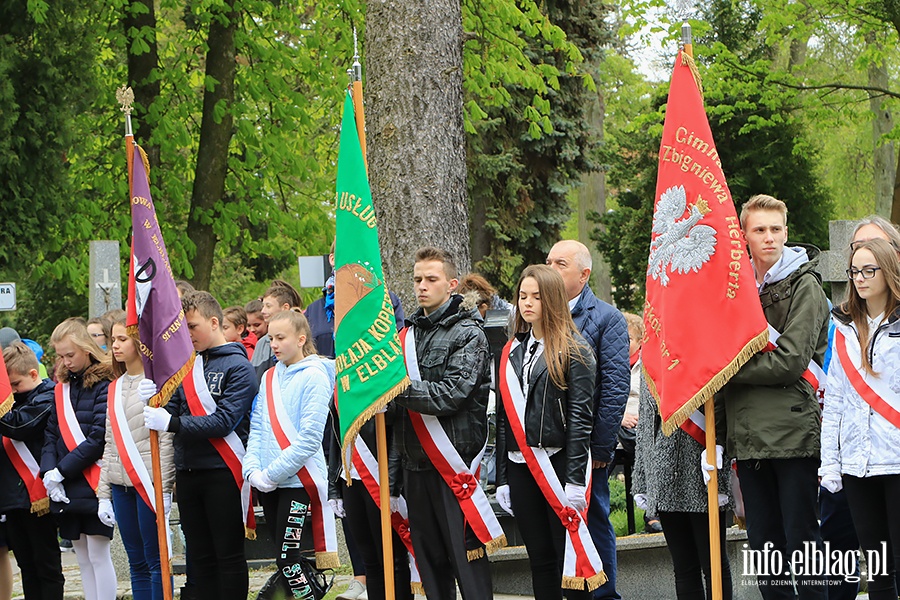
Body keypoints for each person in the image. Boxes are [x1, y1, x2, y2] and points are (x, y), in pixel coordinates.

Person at [721, 194, 829, 599]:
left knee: (803, 544)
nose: (770, 238)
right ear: (744, 236)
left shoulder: (805, 285)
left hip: (794, 434)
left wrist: (729, 373)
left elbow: (789, 361)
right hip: (747, 438)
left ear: (787, 231)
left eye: (776, 229)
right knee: (764, 548)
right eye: (760, 230)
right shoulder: (735, 290)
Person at [392, 246, 496, 600]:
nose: (422, 286)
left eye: (431, 279)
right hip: (414, 465)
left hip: (453, 466)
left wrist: (394, 390)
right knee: (430, 565)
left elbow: (452, 393)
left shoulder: (469, 333)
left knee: (466, 559)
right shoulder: (406, 337)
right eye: (418, 279)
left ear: (451, 284)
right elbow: (398, 414)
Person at [143, 291, 258, 600]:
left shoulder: (240, 367)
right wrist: (155, 402)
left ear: (214, 322)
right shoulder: (188, 366)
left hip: (223, 471)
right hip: (189, 471)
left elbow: (224, 422)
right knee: (199, 557)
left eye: (192, 327)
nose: (187, 335)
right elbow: (175, 410)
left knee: (228, 556)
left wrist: (173, 423)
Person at [495, 264, 600, 599]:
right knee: (539, 559)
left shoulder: (576, 349)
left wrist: (574, 480)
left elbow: (581, 419)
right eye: (523, 296)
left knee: (568, 556)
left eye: (536, 297)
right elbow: (502, 418)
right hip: (519, 466)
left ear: (552, 299)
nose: (527, 304)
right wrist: (501, 477)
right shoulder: (512, 349)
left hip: (556, 464)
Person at [546, 239, 629, 600]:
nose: (550, 268)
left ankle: (604, 594)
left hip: (586, 448)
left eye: (560, 264)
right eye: (548, 261)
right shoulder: (537, 314)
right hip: (545, 446)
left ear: (584, 274)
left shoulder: (606, 319)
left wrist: (600, 446)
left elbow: (614, 388)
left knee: (593, 521)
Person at [820, 237, 900, 600]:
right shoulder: (845, 328)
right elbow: (834, 400)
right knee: (879, 568)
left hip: (896, 461)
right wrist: (830, 465)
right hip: (858, 465)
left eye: (870, 270)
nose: (860, 278)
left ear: (889, 271)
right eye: (855, 271)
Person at [244, 310, 336, 598]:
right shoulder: (270, 376)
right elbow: (257, 426)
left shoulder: (315, 377)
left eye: (280, 338)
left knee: (288, 558)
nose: (273, 344)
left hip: (298, 482)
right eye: (270, 338)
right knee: (284, 559)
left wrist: (271, 474)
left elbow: (309, 439)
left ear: (300, 339)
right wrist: (253, 471)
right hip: (269, 482)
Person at [633, 375, 733, 600]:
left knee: (713, 564)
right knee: (683, 567)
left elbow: (721, 402)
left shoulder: (700, 343)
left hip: (701, 464)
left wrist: (721, 456)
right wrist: (642, 475)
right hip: (663, 468)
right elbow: (647, 419)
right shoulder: (652, 347)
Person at [97, 317, 176, 600]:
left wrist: (163, 489)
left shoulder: (158, 384)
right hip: (120, 484)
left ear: (140, 342)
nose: (115, 345)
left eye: (123, 339)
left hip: (148, 484)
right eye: (113, 339)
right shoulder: (114, 386)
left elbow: (165, 442)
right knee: (136, 561)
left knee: (156, 560)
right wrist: (103, 494)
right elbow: (110, 442)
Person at [42, 317, 116, 600]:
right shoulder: (61, 388)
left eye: (70, 355)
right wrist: (50, 474)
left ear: (86, 348)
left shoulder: (104, 383)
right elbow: (51, 434)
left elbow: (98, 437)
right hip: (67, 484)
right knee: (82, 556)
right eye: (60, 356)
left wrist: (62, 471)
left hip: (92, 479)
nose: (65, 362)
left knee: (98, 553)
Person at [0, 341, 65, 600]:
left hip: (37, 494)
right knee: (26, 565)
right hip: (13, 497)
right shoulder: (13, 399)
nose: (12, 392)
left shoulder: (48, 395)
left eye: (15, 385)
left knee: (46, 565)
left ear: (33, 374)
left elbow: (19, 426)